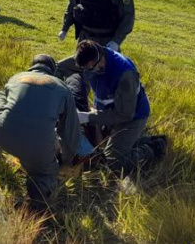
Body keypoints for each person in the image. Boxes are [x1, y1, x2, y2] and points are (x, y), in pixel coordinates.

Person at [0, 55, 82, 211]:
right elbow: (69, 131)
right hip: (39, 148)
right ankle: (38, 190)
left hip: (4, 136)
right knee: (47, 175)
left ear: (32, 67)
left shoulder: (16, 78)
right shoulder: (63, 88)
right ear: (53, 70)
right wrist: (66, 160)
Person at [66, 40, 166, 173]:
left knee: (112, 163)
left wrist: (88, 117)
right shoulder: (90, 58)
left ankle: (154, 148)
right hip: (107, 113)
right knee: (99, 147)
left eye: (90, 68)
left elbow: (124, 114)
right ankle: (139, 140)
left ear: (100, 60)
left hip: (131, 117)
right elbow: (63, 67)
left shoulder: (124, 74)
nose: (87, 72)